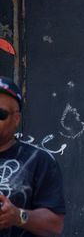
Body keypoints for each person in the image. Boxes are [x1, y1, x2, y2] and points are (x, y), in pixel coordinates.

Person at [0, 76, 65, 236]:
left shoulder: (39, 160)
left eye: (0, 114)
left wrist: (17, 216)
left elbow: (55, 225)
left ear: (16, 119)